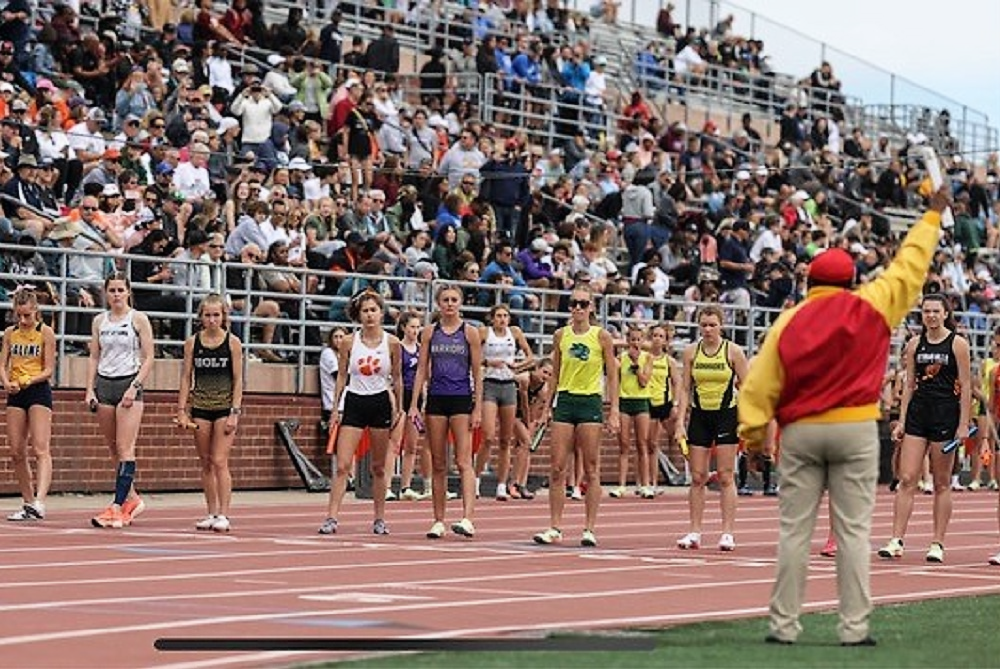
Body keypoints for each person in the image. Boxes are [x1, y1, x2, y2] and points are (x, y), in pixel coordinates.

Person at [738, 188, 951, 646]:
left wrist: (753, 439)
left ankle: (783, 626)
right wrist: (932, 216)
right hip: (855, 428)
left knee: (794, 533)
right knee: (853, 534)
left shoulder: (789, 319)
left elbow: (758, 384)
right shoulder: (870, 303)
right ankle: (854, 629)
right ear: (851, 279)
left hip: (801, 432)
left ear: (809, 280)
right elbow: (909, 268)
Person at [880, 292, 971, 563]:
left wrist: (964, 424)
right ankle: (896, 539)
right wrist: (903, 422)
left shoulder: (958, 344)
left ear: (945, 314)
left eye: (935, 311)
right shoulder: (914, 344)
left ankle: (937, 543)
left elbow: (966, 386)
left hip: (946, 414)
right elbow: (909, 385)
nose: (930, 315)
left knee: (942, 482)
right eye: (926, 311)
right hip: (919, 414)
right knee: (907, 478)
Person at [533, 286, 620, 548]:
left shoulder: (601, 336)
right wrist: (547, 407)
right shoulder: (561, 335)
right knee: (557, 466)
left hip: (590, 400)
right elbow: (555, 374)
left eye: (583, 304)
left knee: (591, 468)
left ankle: (589, 528)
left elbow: (612, 375)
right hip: (566, 400)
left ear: (591, 307)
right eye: (574, 304)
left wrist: (614, 409)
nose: (578, 308)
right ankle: (555, 526)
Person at [319, 289, 403, 536]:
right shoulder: (348, 342)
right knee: (343, 464)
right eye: (365, 311)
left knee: (378, 466)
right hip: (355, 400)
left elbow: (397, 377)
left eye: (373, 310)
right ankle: (331, 517)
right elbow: (342, 376)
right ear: (358, 315)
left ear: (381, 313)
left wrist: (398, 407)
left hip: (379, 402)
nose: (369, 315)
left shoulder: (392, 343)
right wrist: (335, 408)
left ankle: (379, 518)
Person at [409, 284, 483, 539]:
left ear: (460, 303)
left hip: (461, 398)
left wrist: (478, 407)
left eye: (454, 300)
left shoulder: (470, 333)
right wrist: (414, 404)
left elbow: (477, 372)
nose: (450, 304)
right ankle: (438, 520)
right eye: (445, 300)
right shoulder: (430, 332)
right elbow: (421, 370)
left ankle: (468, 518)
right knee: (438, 462)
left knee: (463, 461)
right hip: (437, 399)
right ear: (439, 303)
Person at [675, 304, 750, 551]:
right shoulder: (690, 352)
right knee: (697, 477)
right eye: (704, 325)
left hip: (726, 415)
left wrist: (747, 421)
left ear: (721, 325)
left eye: (712, 325)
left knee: (726, 476)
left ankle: (727, 532)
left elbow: (747, 387)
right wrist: (680, 422)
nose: (707, 330)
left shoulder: (733, 352)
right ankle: (694, 531)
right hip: (699, 415)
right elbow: (685, 388)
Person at [85, 273, 155, 529]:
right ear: (106, 293)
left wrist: (135, 386)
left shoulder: (138, 319)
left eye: (120, 290)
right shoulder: (99, 321)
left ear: (128, 292)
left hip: (128, 383)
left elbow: (149, 357)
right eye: (112, 290)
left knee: (126, 447)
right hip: (105, 383)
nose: (116, 294)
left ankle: (116, 506)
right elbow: (94, 356)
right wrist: (89, 389)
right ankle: (132, 499)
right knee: (113, 447)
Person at [177, 294, 244, 533]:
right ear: (201, 317)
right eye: (208, 315)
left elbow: (238, 380)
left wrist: (235, 411)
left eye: (217, 315)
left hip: (225, 407)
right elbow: (186, 377)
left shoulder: (233, 343)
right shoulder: (193, 343)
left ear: (224, 317)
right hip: (201, 407)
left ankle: (225, 514)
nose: (212, 320)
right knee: (205, 461)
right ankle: (212, 511)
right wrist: (182, 410)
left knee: (219, 460)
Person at [2, 287, 56, 521]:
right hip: (16, 391)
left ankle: (40, 501)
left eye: (27, 315)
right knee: (16, 450)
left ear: (35, 311)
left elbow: (49, 369)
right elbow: (3, 363)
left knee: (40, 447)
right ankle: (27, 501)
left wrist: (29, 380)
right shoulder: (10, 333)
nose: (23, 320)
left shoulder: (45, 332)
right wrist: (5, 382)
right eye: (19, 315)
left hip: (37, 389)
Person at [476, 303, 533, 501]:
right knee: (488, 436)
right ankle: (476, 480)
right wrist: (486, 363)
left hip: (508, 385)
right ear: (492, 318)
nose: (502, 319)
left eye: (505, 316)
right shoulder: (484, 332)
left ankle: (501, 484)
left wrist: (518, 366)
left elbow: (531, 356)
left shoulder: (515, 332)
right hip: (490, 384)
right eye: (498, 315)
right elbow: (472, 357)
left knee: (505, 440)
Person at [393, 312, 433, 502]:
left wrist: (422, 401)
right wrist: (398, 404)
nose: (415, 331)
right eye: (412, 327)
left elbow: (425, 377)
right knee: (393, 443)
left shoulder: (421, 349)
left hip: (415, 398)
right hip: (400, 395)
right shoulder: (398, 348)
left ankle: (405, 486)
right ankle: (385, 485)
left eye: (418, 327)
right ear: (403, 328)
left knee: (411, 445)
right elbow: (395, 376)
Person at [610, 325, 651, 499]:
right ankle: (621, 485)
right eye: (632, 339)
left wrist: (636, 364)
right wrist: (616, 406)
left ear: (643, 341)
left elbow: (644, 382)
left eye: (638, 339)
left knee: (642, 444)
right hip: (625, 402)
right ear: (627, 341)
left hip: (641, 402)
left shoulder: (647, 358)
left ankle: (645, 484)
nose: (635, 343)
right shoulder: (621, 358)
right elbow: (615, 380)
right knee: (624, 445)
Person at [646, 323, 682, 491]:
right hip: (646, 402)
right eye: (655, 336)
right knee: (648, 444)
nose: (657, 339)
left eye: (661, 336)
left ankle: (655, 481)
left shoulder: (669, 361)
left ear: (666, 341)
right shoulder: (645, 357)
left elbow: (677, 383)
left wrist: (675, 404)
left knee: (665, 440)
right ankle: (646, 482)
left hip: (663, 404)